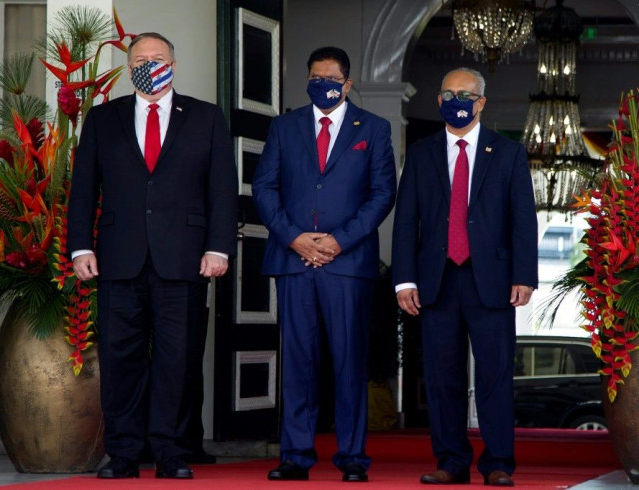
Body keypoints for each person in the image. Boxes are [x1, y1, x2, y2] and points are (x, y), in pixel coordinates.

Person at [67, 32, 238, 480]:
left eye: (158, 58)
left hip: (183, 258)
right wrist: (81, 246)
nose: (150, 64)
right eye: (141, 59)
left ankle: (171, 452)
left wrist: (218, 246)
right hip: (118, 258)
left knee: (176, 360)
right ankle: (123, 454)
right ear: (129, 68)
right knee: (119, 359)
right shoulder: (104, 119)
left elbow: (222, 189)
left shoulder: (205, 117)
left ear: (174, 64)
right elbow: (84, 187)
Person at [252, 46, 397, 483]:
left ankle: (352, 456)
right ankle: (295, 455)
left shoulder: (373, 128)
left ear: (347, 83)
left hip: (346, 264)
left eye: (331, 78)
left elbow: (381, 194)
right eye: (315, 76)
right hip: (294, 260)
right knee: (297, 362)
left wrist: (338, 241)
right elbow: (264, 187)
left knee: (349, 361)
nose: (323, 84)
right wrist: (295, 238)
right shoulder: (284, 126)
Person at [391, 67, 538, 487]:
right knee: (441, 379)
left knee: (493, 376)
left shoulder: (507, 153)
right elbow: (406, 223)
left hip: (490, 280)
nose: (457, 100)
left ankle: (497, 464)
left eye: (466, 94)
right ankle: (452, 461)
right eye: (449, 93)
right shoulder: (421, 153)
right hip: (435, 281)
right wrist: (405, 280)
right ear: (439, 101)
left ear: (481, 103)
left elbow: (522, 220)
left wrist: (524, 275)